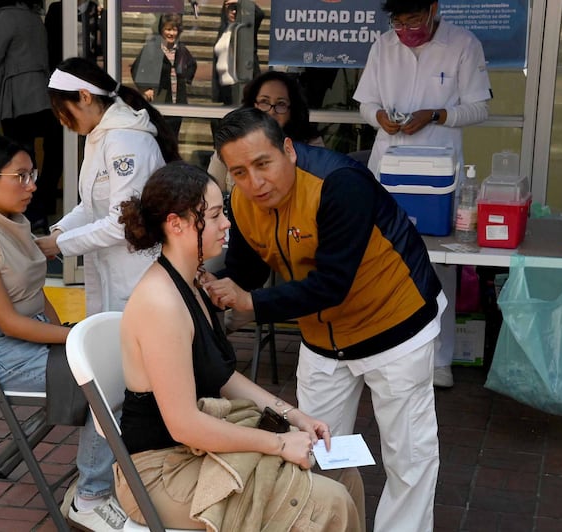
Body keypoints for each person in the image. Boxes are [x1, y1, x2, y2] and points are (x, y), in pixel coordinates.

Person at [205, 108, 445, 532]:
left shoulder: (340, 184)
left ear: (289, 150)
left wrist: (250, 302)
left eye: (263, 164)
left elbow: (333, 283)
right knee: (313, 451)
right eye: (239, 171)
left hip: (395, 324)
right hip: (323, 337)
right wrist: (209, 284)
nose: (254, 183)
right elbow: (245, 269)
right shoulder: (241, 202)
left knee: (408, 458)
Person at [117, 161, 363, 530]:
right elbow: (184, 426)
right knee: (328, 502)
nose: (226, 224)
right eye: (215, 215)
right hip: (163, 471)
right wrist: (279, 444)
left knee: (342, 473)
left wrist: (294, 417)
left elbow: (222, 374)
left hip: (194, 450)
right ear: (176, 223)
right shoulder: (160, 303)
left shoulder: (193, 282)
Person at [0, 135, 126, 532]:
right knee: (106, 381)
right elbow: (8, 322)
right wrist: (77, 338)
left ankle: (114, 475)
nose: (32, 185)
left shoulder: (13, 221)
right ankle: (90, 496)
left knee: (119, 364)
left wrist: (63, 329)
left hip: (30, 337)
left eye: (33, 175)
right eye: (22, 176)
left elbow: (32, 291)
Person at [353, 0, 492, 388]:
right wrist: (378, 117)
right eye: (397, 21)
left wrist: (436, 115)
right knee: (382, 254)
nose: (404, 28)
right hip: (389, 166)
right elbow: (367, 102)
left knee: (438, 262)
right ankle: (380, 351)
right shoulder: (383, 46)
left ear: (433, 9)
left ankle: (438, 361)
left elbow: (479, 108)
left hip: (438, 172)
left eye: (412, 19)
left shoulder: (463, 44)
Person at [35, 56, 180, 317]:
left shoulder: (126, 141)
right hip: (112, 268)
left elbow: (122, 222)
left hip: (136, 271)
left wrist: (60, 245)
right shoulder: (100, 134)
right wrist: (59, 232)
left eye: (62, 110)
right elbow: (92, 202)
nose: (61, 120)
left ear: (85, 96)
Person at [0, 0, 63, 234]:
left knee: (20, 158)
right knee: (40, 153)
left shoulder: (6, 17)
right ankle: (42, 204)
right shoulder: (34, 17)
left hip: (18, 97)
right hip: (41, 93)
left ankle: (33, 214)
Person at [208, 70, 324, 192]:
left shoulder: (311, 144)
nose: (271, 111)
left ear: (292, 110)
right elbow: (211, 193)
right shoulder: (232, 140)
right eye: (264, 102)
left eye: (281, 104)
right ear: (253, 105)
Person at [130, 13, 197, 137]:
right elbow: (135, 69)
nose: (171, 33)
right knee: (160, 137)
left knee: (173, 137)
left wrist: (186, 79)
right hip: (160, 102)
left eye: (174, 29)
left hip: (178, 102)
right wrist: (145, 88)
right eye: (168, 29)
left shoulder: (181, 49)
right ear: (162, 30)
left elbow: (192, 64)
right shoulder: (152, 48)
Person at [211, 0, 264, 106]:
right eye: (231, 8)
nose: (234, 12)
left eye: (237, 8)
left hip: (241, 85)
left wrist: (242, 2)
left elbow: (259, 14)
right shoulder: (224, 29)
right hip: (225, 86)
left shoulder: (245, 28)